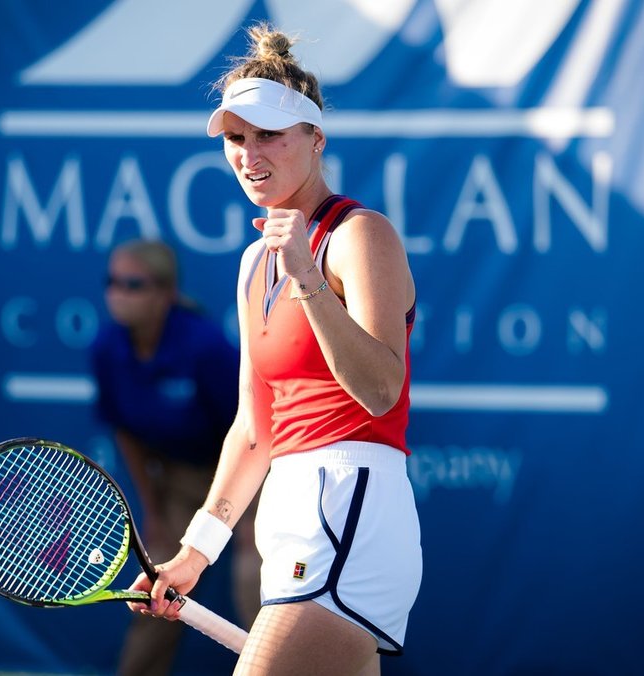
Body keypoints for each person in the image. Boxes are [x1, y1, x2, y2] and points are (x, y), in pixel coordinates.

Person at [129, 23, 423, 675]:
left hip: (351, 509)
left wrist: (309, 280)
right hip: (290, 521)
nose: (248, 153)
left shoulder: (359, 236)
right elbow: (254, 430)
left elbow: (381, 388)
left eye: (268, 135)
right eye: (236, 138)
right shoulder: (253, 264)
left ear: (315, 140)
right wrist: (197, 550)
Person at [90, 238, 262, 675]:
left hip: (249, 474)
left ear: (165, 292)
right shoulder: (107, 348)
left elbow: (254, 427)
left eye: (133, 284)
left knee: (255, 581)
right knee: (155, 591)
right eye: (113, 282)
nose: (118, 294)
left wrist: (246, 520)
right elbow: (126, 432)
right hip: (179, 480)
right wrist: (152, 509)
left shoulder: (205, 347)